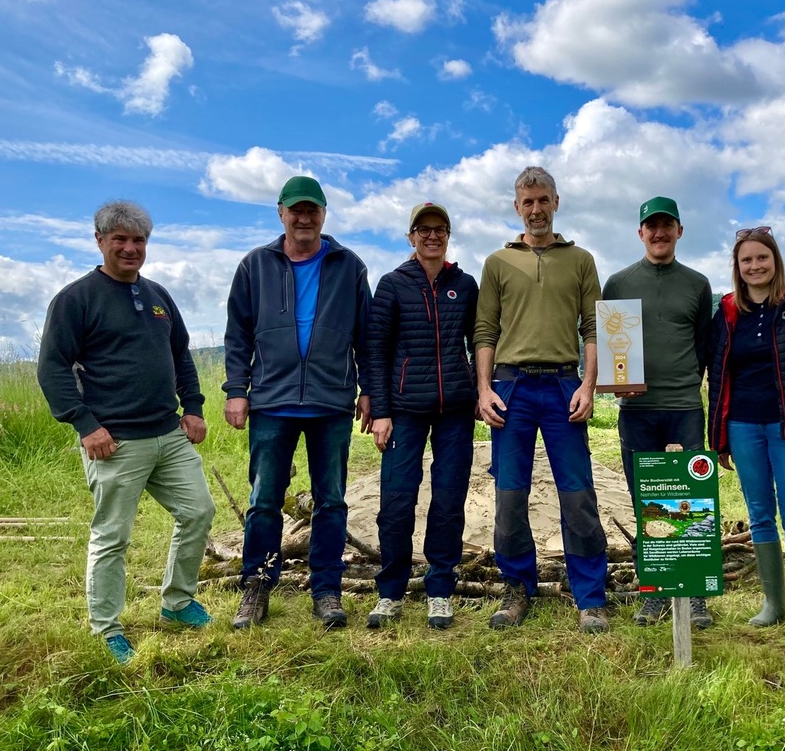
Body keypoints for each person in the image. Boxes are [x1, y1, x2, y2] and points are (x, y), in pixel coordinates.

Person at [38, 201, 216, 665]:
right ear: (100, 241)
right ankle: (107, 628)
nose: (130, 248)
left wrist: (193, 408)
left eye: (138, 241)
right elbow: (53, 367)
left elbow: (181, 356)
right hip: (114, 442)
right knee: (112, 536)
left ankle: (177, 603)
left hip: (168, 434)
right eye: (120, 239)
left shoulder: (158, 295)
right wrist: (85, 424)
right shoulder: (76, 299)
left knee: (198, 511)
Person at [223, 176, 372, 630]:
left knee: (332, 500)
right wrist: (235, 390)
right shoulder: (255, 265)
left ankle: (326, 588)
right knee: (264, 499)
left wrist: (369, 390)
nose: (304, 218)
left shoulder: (349, 266)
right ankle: (257, 586)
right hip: (271, 401)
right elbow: (237, 334)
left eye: (312, 210)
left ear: (324, 214)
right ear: (281, 212)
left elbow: (367, 336)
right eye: (296, 210)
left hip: (331, 402)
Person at [474, 166, 610, 633]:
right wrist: (484, 388)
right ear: (517, 207)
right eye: (527, 202)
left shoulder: (581, 260)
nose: (536, 209)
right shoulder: (497, 263)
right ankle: (516, 590)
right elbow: (485, 332)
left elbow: (593, 328)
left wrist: (588, 386)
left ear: (556, 202)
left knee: (578, 495)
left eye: (543, 200)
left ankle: (590, 596)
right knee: (510, 494)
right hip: (510, 389)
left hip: (563, 386)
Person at [706, 226, 785, 644]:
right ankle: (772, 605)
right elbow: (716, 372)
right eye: (747, 260)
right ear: (737, 268)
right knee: (760, 515)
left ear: (775, 260)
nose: (755, 266)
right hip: (743, 425)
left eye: (762, 258)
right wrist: (719, 435)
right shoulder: (726, 311)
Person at [601, 196, 714, 629]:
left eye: (667, 225)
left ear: (680, 231)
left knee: (689, 501)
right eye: (651, 226)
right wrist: (614, 384)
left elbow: (704, 344)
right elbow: (609, 343)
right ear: (640, 233)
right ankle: (655, 591)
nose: (659, 233)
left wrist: (688, 382)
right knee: (645, 500)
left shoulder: (697, 284)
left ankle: (694, 593)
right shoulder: (618, 284)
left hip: (684, 405)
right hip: (637, 410)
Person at [365, 202, 478, 630]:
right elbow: (376, 351)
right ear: (410, 236)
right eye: (423, 229)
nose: (432, 236)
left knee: (448, 500)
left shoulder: (464, 285)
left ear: (448, 235)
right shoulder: (393, 284)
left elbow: (480, 340)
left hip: (455, 411)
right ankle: (391, 591)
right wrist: (380, 410)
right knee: (396, 501)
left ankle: (440, 590)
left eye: (440, 229)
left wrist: (480, 389)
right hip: (404, 411)